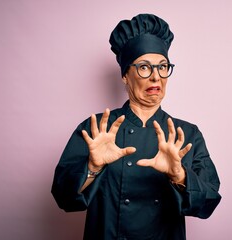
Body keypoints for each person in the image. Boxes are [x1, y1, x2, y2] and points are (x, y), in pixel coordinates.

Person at [51, 13, 221, 240]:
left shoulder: (186, 134)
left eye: (162, 67)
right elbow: (64, 198)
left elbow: (208, 202)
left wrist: (180, 176)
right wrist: (92, 167)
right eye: (144, 67)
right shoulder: (96, 130)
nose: (155, 77)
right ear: (124, 75)